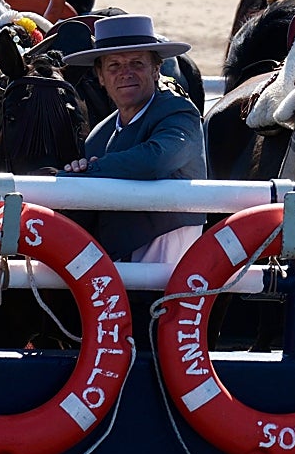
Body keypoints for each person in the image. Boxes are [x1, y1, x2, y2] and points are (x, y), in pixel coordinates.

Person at [56, 14, 206, 265]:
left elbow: (156, 159)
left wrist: (86, 172)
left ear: (156, 69)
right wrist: (77, 173)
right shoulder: (99, 136)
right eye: (114, 66)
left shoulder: (179, 112)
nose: (125, 73)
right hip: (118, 253)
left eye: (136, 63)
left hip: (167, 249)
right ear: (101, 76)